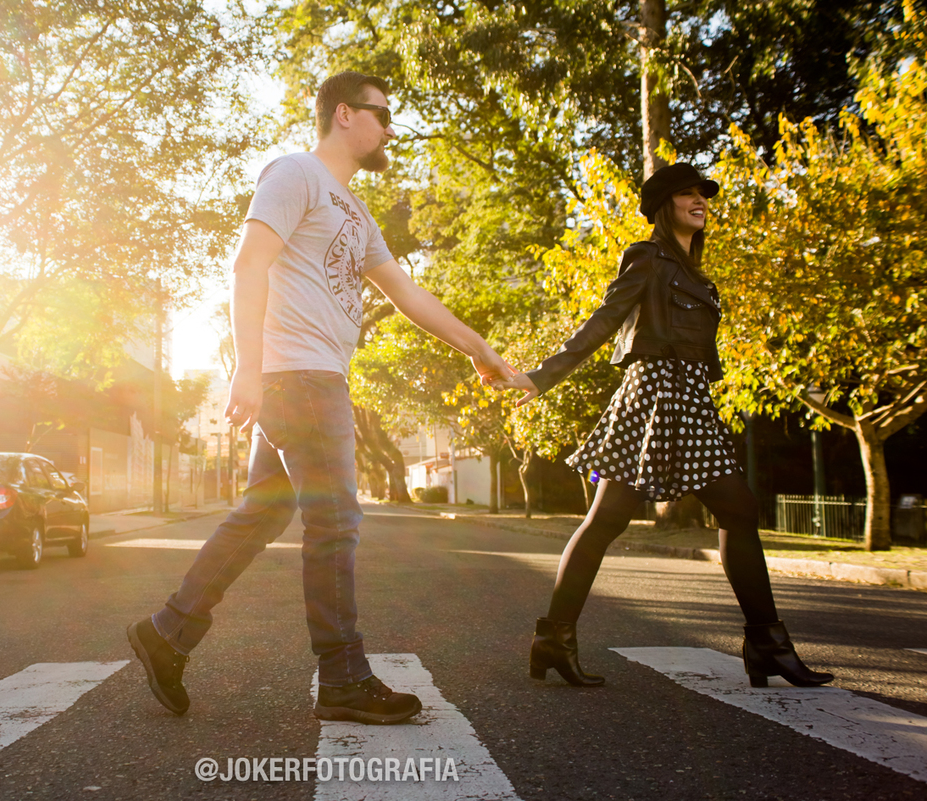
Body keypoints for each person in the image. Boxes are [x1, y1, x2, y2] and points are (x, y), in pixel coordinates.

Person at [128, 72, 513, 724]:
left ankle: (170, 628)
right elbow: (248, 263)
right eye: (382, 114)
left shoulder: (356, 211)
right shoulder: (295, 174)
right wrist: (248, 368)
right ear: (344, 114)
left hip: (307, 377)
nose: (391, 128)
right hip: (299, 377)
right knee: (335, 520)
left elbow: (408, 294)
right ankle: (342, 675)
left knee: (263, 512)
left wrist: (479, 348)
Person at [493, 163, 834, 690]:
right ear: (663, 205)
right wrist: (541, 377)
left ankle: (765, 643)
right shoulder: (649, 257)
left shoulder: (697, 272)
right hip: (654, 394)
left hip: (690, 398)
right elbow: (606, 318)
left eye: (704, 194)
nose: (700, 201)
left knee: (734, 510)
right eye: (687, 194)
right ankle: (555, 639)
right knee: (610, 521)